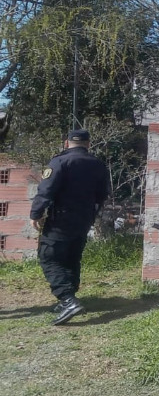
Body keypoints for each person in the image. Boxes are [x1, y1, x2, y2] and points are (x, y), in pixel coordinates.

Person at [29, 128, 110, 326]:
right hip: (84, 219)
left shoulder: (60, 162)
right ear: (88, 144)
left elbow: (46, 191)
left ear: (67, 143)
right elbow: (103, 194)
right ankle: (70, 297)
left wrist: (36, 214)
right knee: (72, 257)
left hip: (61, 219)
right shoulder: (98, 165)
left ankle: (67, 299)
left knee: (49, 257)